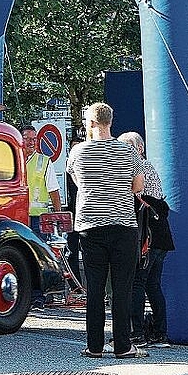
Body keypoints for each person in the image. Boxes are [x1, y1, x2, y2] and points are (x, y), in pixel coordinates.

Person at [67, 103, 146, 359]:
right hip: (123, 226)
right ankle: (123, 346)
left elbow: (78, 183)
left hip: (90, 226)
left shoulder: (77, 152)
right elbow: (137, 187)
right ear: (110, 122)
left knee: (95, 289)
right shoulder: (128, 151)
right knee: (122, 288)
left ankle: (94, 346)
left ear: (90, 123)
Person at [118, 131, 175, 348]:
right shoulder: (149, 167)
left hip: (147, 236)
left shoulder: (137, 169)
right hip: (160, 235)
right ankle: (160, 334)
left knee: (137, 283)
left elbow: (134, 198)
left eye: (126, 148)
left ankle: (137, 333)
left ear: (138, 148)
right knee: (153, 284)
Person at [21, 125, 62, 237]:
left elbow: (54, 192)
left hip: (38, 219)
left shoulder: (44, 161)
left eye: (34, 139)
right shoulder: (12, 159)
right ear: (20, 140)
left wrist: (58, 218)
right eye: (27, 138)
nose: (31, 142)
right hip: (17, 217)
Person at [65, 136, 84, 289]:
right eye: (73, 147)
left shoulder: (87, 166)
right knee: (71, 251)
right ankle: (75, 285)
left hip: (85, 214)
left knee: (88, 250)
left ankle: (89, 286)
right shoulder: (65, 168)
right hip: (71, 215)